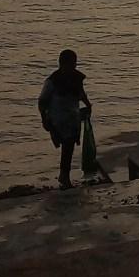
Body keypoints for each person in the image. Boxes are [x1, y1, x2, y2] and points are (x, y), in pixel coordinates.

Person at [37, 50, 92, 189]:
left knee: (69, 145)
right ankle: (64, 176)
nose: (73, 66)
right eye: (70, 64)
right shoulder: (52, 81)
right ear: (62, 64)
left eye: (74, 63)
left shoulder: (76, 77)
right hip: (58, 117)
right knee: (67, 144)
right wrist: (44, 119)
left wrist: (88, 105)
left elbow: (80, 93)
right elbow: (42, 101)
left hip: (72, 116)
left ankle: (64, 175)